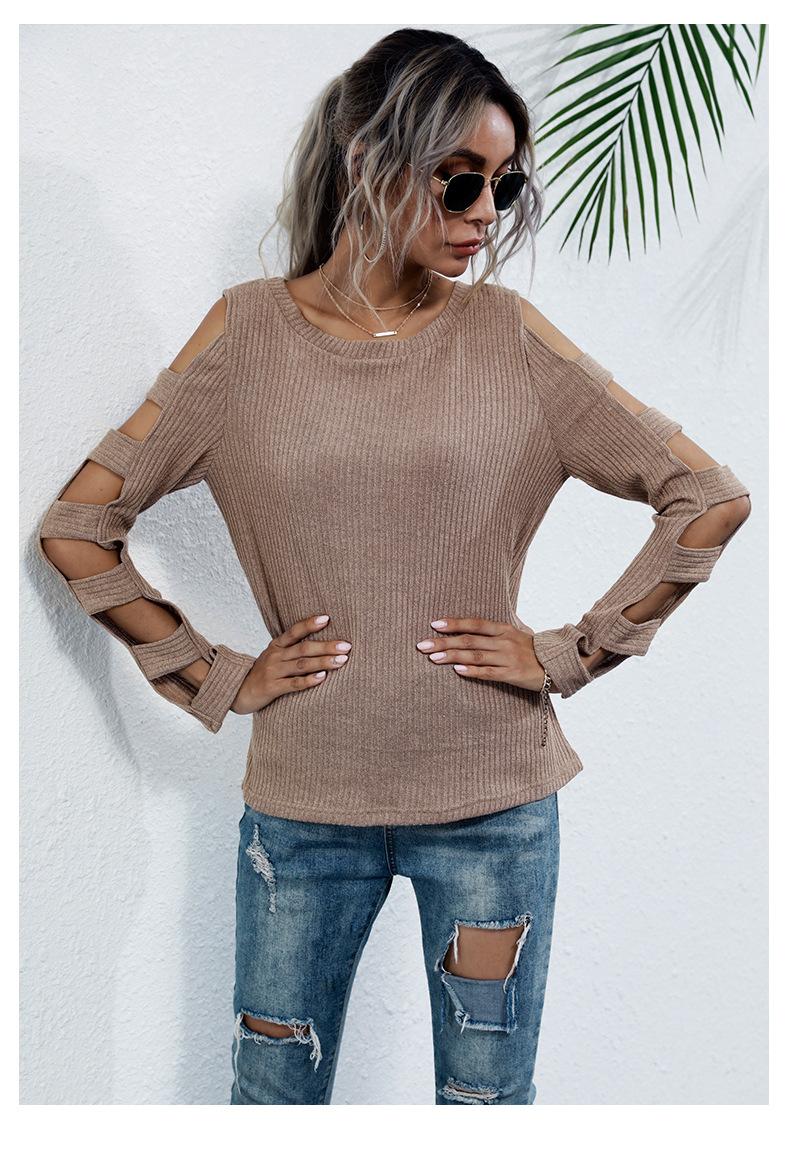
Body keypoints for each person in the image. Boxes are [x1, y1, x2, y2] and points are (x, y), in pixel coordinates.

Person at [36, 28, 752, 1106]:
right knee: (271, 1101)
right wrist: (215, 673)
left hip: (494, 808)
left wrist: (570, 653)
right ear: (369, 156)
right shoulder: (245, 336)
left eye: (505, 187)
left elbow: (706, 495)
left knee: (483, 1107)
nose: (485, 213)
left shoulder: (508, 336)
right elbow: (80, 525)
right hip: (304, 809)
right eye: (460, 180)